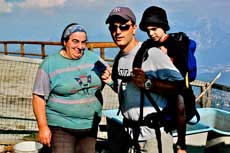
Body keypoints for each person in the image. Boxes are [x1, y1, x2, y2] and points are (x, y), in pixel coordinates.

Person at [102, 6, 185, 153]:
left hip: (153, 138)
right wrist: (110, 82)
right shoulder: (119, 59)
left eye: (123, 26)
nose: (117, 32)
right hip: (130, 136)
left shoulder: (152, 54)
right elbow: (127, 91)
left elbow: (180, 86)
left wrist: (148, 83)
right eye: (113, 28)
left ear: (134, 28)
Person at [32, 23, 111, 153]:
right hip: (61, 126)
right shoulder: (49, 65)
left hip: (90, 126)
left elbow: (109, 78)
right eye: (75, 41)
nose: (80, 47)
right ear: (65, 42)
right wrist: (43, 127)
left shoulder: (94, 59)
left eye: (83, 42)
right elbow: (38, 97)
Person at [139, 6, 188, 153]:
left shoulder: (175, 45)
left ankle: (181, 144)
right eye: (148, 31)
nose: (151, 33)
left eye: (154, 29)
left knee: (180, 106)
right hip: (154, 84)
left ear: (163, 26)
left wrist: (165, 59)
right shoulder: (148, 45)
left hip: (173, 86)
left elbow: (182, 70)